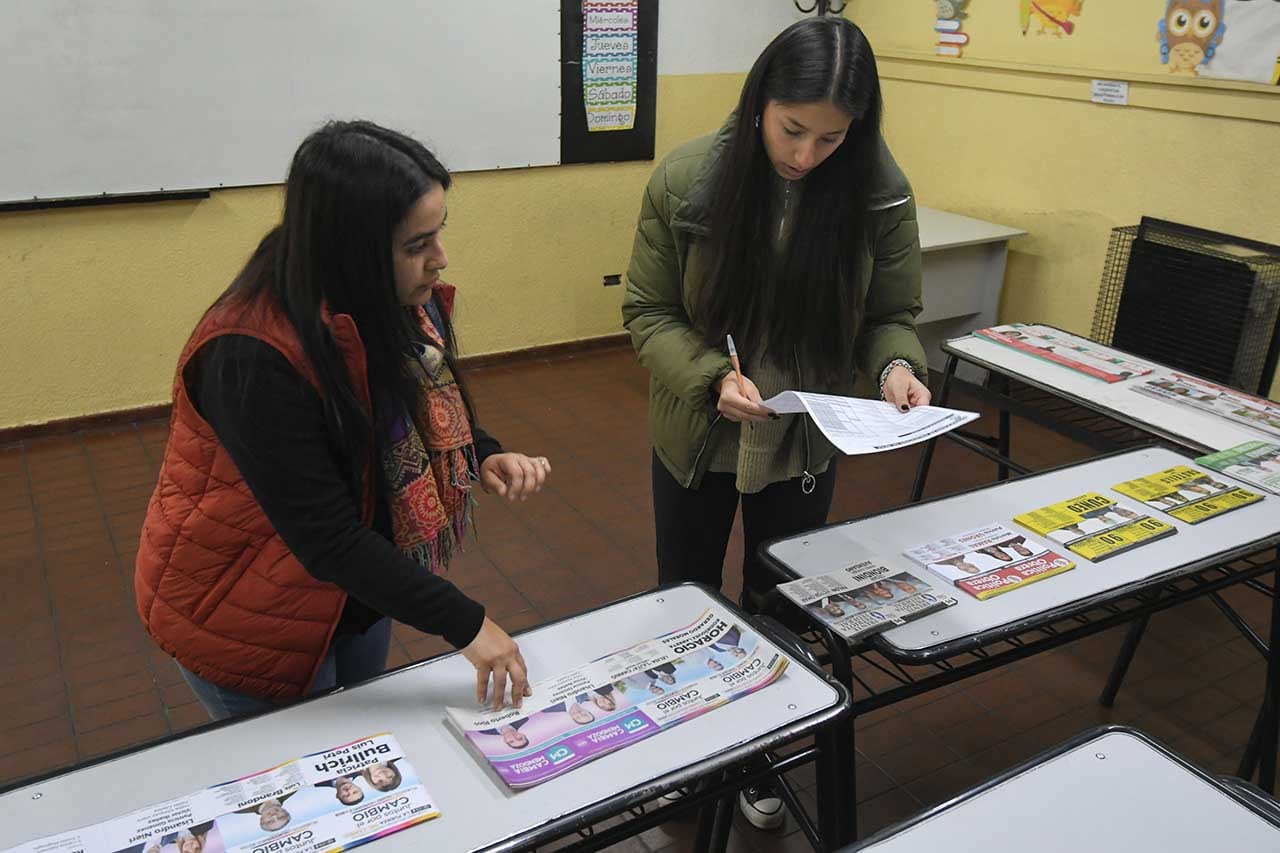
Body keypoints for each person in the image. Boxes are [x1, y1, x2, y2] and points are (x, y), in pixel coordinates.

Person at [134, 121, 549, 720]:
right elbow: (327, 537)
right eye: (416, 246)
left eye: (439, 234)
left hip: (352, 595)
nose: (440, 261)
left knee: (364, 736)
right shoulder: (249, 352)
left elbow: (418, 398)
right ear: (351, 247)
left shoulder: (385, 296)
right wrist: (466, 623)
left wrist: (481, 451)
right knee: (312, 784)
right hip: (250, 614)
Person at [621, 16, 930, 632]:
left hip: (804, 437)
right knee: (686, 599)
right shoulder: (687, 183)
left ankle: (782, 709)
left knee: (785, 599)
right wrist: (713, 379)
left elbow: (889, 315)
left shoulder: (880, 196)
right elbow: (648, 312)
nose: (802, 155)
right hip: (697, 431)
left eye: (830, 139)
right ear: (760, 99)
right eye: (791, 129)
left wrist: (897, 366)